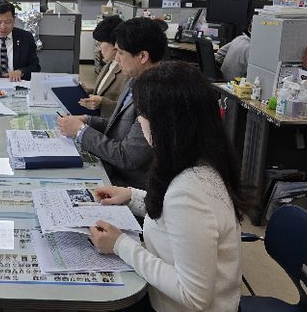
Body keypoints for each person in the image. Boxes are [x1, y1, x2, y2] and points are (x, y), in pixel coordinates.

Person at [88, 61, 244, 312]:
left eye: (142, 115)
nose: (140, 122)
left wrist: (119, 244)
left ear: (164, 123)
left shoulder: (189, 191)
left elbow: (193, 295)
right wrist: (131, 196)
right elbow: (175, 216)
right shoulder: (199, 160)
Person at [57, 18, 166, 189]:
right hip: (111, 167)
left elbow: (127, 157)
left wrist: (80, 131)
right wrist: (88, 120)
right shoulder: (134, 80)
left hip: (128, 184)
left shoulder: (157, 95)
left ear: (143, 56)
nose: (116, 58)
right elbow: (123, 125)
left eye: (121, 53)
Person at [78, 15, 129, 117]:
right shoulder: (109, 64)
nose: (99, 48)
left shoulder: (127, 71)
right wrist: (87, 92)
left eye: (101, 43)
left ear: (114, 43)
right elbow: (101, 92)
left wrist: (102, 103)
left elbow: (128, 110)